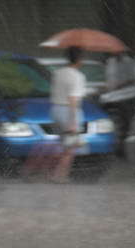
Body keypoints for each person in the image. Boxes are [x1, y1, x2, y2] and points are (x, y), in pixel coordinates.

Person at [48, 46, 86, 184]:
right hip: (68, 112)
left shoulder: (58, 73)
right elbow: (73, 99)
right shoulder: (78, 76)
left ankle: (53, 173)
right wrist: (74, 121)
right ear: (80, 59)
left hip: (55, 110)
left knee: (63, 144)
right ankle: (59, 176)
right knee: (70, 148)